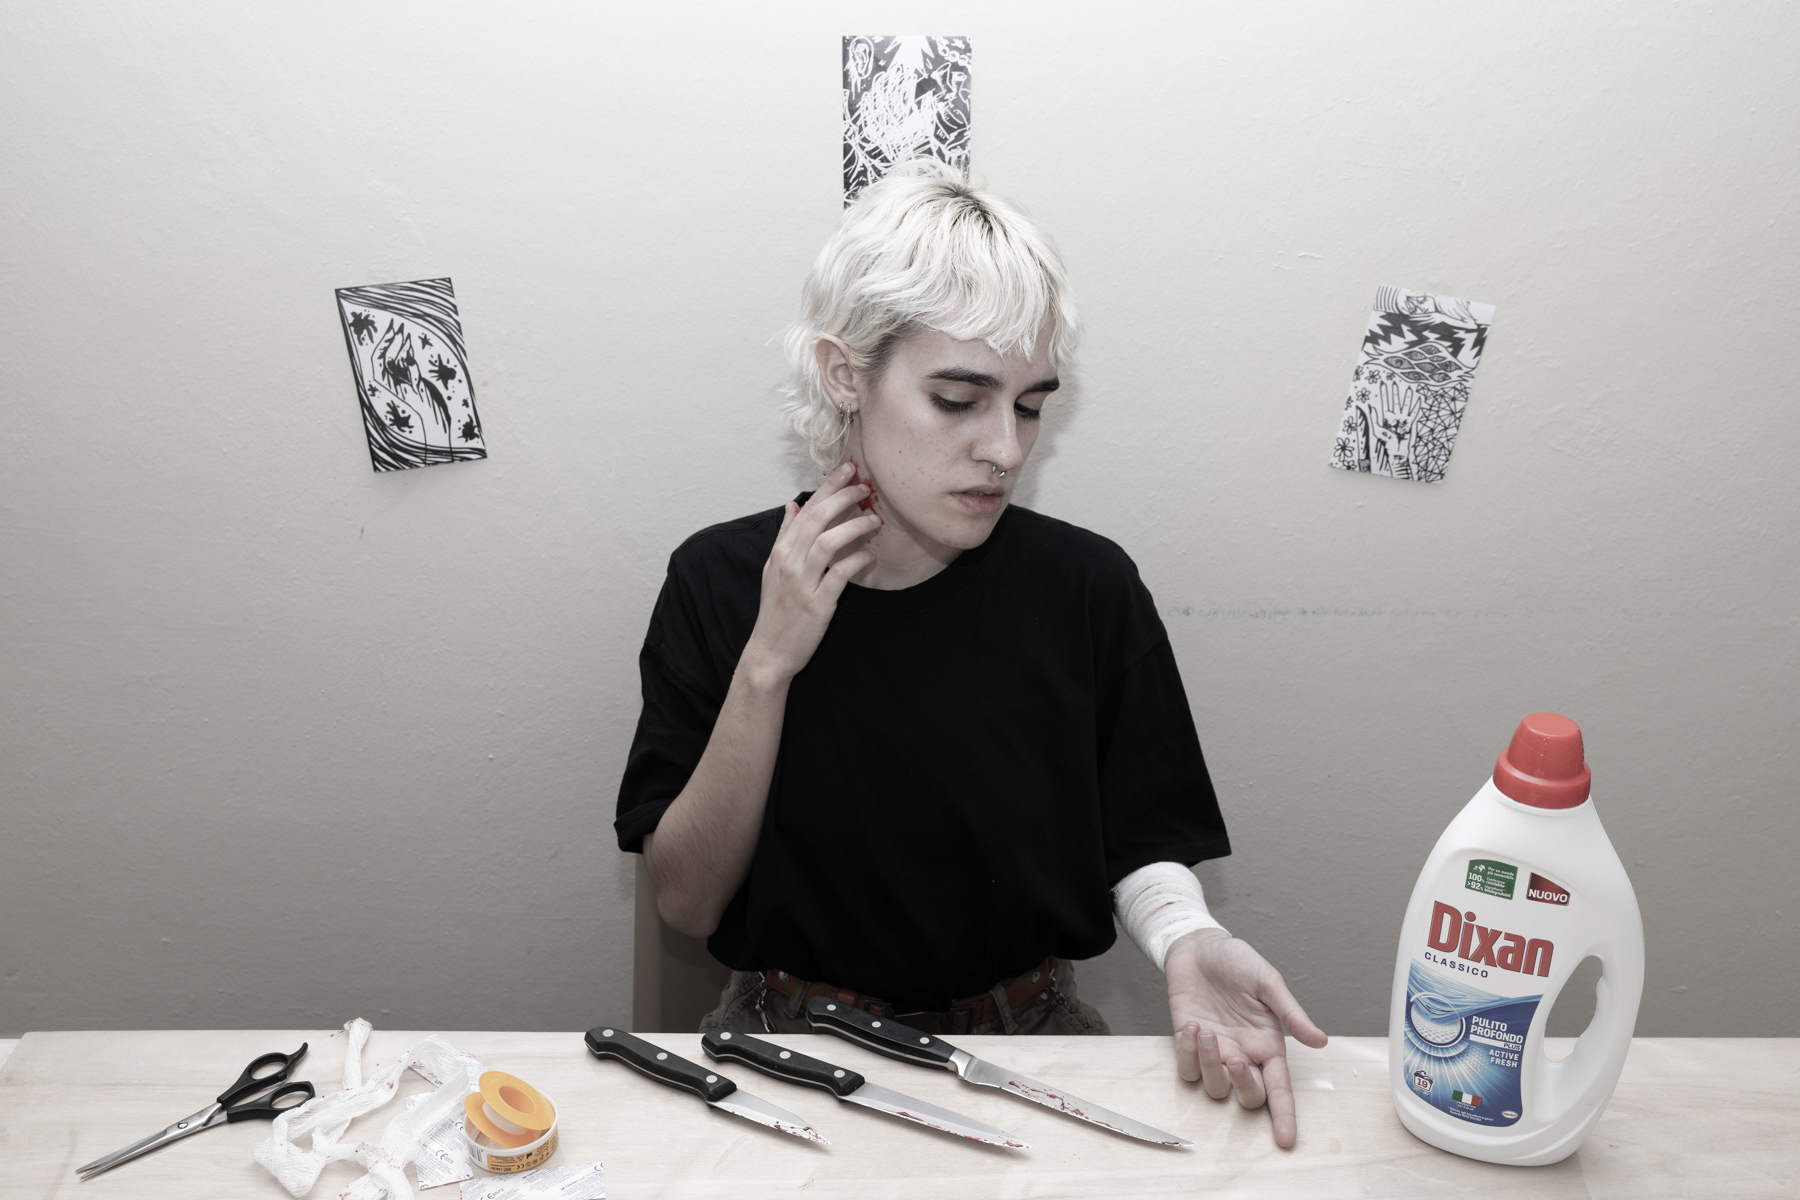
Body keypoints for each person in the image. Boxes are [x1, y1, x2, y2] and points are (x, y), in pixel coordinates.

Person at [615, 160, 1327, 1147]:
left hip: (1030, 1045)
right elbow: (687, 901)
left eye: (1029, 404)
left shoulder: (1086, 588)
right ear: (845, 375)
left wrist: (1186, 937)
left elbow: (1140, 838)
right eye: (959, 398)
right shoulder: (719, 581)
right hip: (786, 1047)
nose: (1006, 448)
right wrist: (768, 662)